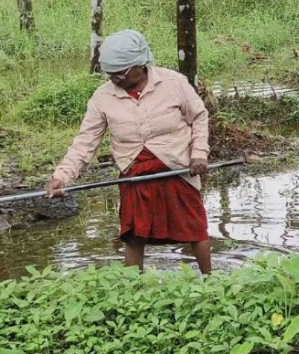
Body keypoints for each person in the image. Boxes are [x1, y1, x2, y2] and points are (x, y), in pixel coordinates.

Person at [46, 30, 213, 274]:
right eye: (110, 74)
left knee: (195, 228)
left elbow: (199, 118)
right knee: (134, 235)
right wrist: (62, 176)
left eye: (121, 73)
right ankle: (132, 289)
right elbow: (85, 142)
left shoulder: (173, 83)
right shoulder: (102, 98)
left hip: (177, 168)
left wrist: (199, 153)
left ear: (140, 64)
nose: (115, 79)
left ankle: (211, 279)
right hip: (135, 174)